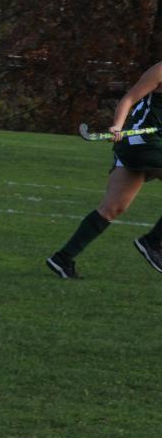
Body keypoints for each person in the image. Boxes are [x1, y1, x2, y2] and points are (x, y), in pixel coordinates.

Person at [47, 62, 162, 279]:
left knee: (112, 208)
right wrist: (118, 125)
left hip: (151, 145)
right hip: (140, 140)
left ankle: (62, 259)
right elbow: (129, 99)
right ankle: (153, 242)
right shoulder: (160, 71)